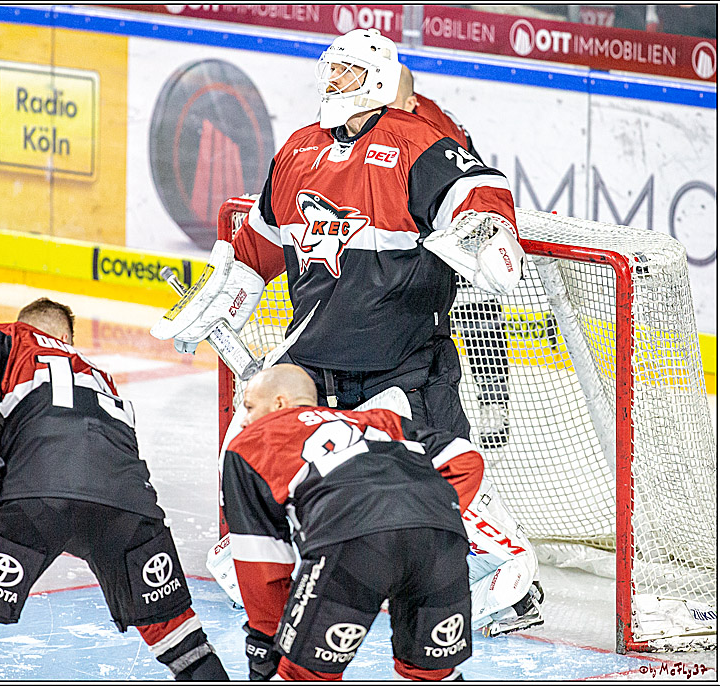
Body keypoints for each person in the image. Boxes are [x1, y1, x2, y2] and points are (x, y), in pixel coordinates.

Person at [154, 29, 541, 638]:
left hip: (403, 358)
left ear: (379, 79)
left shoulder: (416, 142)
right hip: (315, 357)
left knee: (441, 480)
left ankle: (516, 580)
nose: (333, 82)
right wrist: (224, 293)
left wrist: (487, 230)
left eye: (349, 72)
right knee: (253, 448)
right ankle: (275, 565)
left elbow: (478, 191)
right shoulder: (297, 150)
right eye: (330, 71)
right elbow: (258, 244)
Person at [0, 298, 229, 681]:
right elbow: (76, 470)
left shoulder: (10, 340)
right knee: (181, 639)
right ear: (67, 338)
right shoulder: (102, 379)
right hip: (127, 504)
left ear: (23, 325)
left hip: (36, 501)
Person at [221, 364, 473, 681]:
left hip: (352, 543)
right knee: (432, 672)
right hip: (439, 540)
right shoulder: (378, 419)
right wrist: (425, 512)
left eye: (249, 407)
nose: (244, 420)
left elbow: (261, 555)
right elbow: (464, 457)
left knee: (305, 674)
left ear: (280, 403)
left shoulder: (250, 442)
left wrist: (266, 638)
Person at [388, 64, 512, 450]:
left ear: (410, 103)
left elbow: (468, 189)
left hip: (455, 221)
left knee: (476, 304)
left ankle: (493, 402)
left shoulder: (432, 129)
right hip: (414, 219)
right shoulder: (381, 117)